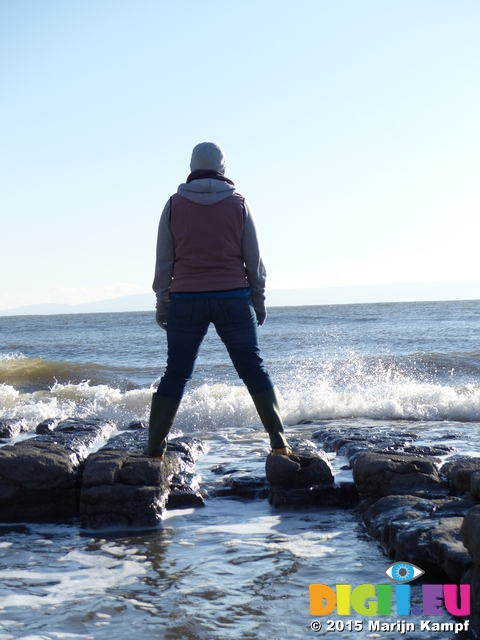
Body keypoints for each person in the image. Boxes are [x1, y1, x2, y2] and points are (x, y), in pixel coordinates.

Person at [144, 142, 291, 459]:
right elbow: (254, 261)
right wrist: (259, 301)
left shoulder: (173, 204)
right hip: (233, 299)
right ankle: (279, 442)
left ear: (192, 166)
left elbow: (163, 263)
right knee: (253, 369)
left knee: (176, 373)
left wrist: (162, 303)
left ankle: (154, 448)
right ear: (223, 168)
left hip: (186, 300)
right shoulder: (239, 204)